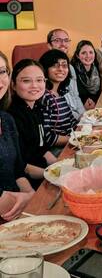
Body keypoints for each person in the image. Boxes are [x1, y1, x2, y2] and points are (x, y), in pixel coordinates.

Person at [8, 59, 57, 189]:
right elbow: (21, 166)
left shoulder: (36, 107)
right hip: (28, 182)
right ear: (13, 85)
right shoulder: (11, 116)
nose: (35, 86)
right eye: (26, 81)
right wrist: (55, 175)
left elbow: (42, 149)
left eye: (39, 80)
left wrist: (60, 166)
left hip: (43, 172)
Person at [0, 51, 35, 221]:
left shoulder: (6, 120)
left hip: (18, 206)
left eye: (2, 71)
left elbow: (18, 170)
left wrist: (30, 195)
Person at [39, 49, 78, 154]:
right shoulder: (45, 97)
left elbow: (72, 122)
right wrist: (76, 140)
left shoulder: (61, 94)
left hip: (71, 142)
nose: (61, 69)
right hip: (57, 151)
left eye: (64, 65)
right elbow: (48, 137)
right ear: (45, 69)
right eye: (55, 65)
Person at [47, 28, 87, 118]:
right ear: (49, 45)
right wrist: (79, 118)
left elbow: (75, 96)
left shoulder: (70, 68)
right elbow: (59, 108)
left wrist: (85, 117)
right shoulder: (47, 69)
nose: (63, 44)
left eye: (66, 40)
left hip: (77, 118)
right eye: (57, 40)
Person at [71, 40, 102, 106]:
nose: (88, 56)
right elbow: (73, 94)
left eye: (91, 52)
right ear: (77, 55)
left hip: (96, 103)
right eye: (83, 53)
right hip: (80, 106)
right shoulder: (72, 70)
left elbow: (97, 91)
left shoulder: (96, 67)